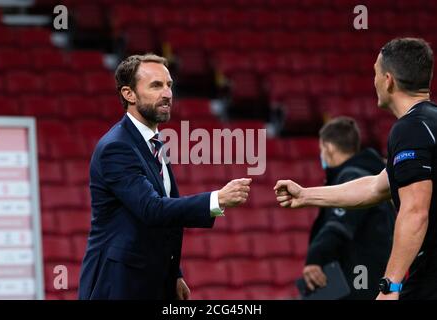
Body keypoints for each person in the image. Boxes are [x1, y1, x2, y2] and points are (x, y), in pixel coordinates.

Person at [275, 37, 437, 300]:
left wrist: (390, 286)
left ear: (388, 80)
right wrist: (305, 195)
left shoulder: (411, 129)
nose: (373, 81)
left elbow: (415, 211)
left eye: (375, 72)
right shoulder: (428, 123)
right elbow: (375, 187)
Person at [78, 54, 251, 300]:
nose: (168, 93)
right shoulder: (116, 148)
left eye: (169, 85)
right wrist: (217, 199)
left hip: (153, 280)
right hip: (119, 284)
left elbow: (164, 223)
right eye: (156, 85)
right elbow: (152, 209)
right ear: (129, 94)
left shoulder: (153, 143)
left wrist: (174, 273)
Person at [303, 116, 395, 299]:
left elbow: (338, 227)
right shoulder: (372, 176)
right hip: (367, 274)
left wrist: (315, 258)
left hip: (356, 279)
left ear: (328, 147)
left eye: (322, 149)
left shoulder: (351, 176)